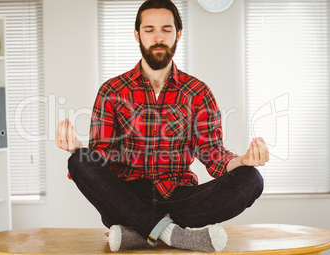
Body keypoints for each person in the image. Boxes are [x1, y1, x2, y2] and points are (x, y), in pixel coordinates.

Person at [56, 0, 268, 252]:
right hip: (127, 198)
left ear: (178, 34)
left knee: (252, 179)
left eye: (166, 29)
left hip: (180, 197)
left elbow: (213, 154)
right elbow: (101, 156)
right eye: (149, 30)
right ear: (137, 34)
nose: (158, 37)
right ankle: (173, 234)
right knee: (79, 159)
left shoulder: (198, 92)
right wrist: (79, 151)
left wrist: (242, 161)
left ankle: (140, 232)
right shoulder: (112, 90)